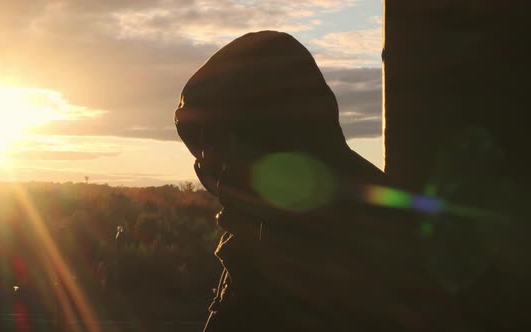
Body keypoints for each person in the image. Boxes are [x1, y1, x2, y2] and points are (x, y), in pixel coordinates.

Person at [175, 31, 421, 331]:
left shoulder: (359, 245)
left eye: (220, 146)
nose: (214, 174)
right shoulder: (259, 230)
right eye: (204, 163)